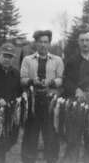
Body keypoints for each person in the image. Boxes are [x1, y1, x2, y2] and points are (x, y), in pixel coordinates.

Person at [62, 28, 89, 163]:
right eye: (82, 40)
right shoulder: (72, 61)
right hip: (76, 102)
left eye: (87, 40)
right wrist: (76, 90)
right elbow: (66, 80)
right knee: (73, 139)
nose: (84, 43)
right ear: (78, 42)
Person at [20, 30, 64, 163]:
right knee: (30, 137)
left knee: (51, 137)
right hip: (33, 102)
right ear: (35, 43)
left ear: (49, 44)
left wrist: (51, 82)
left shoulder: (57, 60)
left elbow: (61, 79)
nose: (43, 45)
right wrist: (33, 81)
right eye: (40, 42)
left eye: (46, 42)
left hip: (50, 103)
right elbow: (22, 79)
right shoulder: (27, 60)